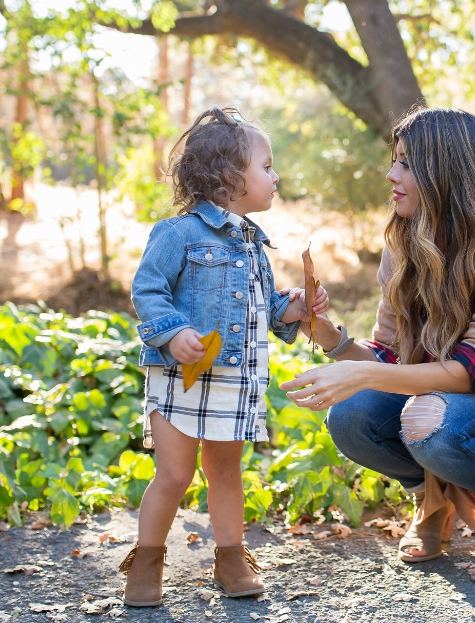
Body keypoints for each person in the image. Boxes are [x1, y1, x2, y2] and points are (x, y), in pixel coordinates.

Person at [280, 107, 475, 591]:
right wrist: (323, 333)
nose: (390, 175)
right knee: (350, 415)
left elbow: (470, 373)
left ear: (445, 172)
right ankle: (431, 499)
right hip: (435, 403)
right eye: (393, 161)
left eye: (404, 163)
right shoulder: (403, 242)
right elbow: (390, 359)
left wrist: (367, 376)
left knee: (426, 418)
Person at [122, 108, 327, 607]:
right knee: (173, 474)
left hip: (234, 376)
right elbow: (147, 290)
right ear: (228, 177)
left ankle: (231, 557)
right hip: (180, 374)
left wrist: (292, 308)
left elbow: (259, 307)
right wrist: (172, 334)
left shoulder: (254, 245)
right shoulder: (178, 234)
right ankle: (146, 562)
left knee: (226, 471)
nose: (276, 177)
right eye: (267, 166)